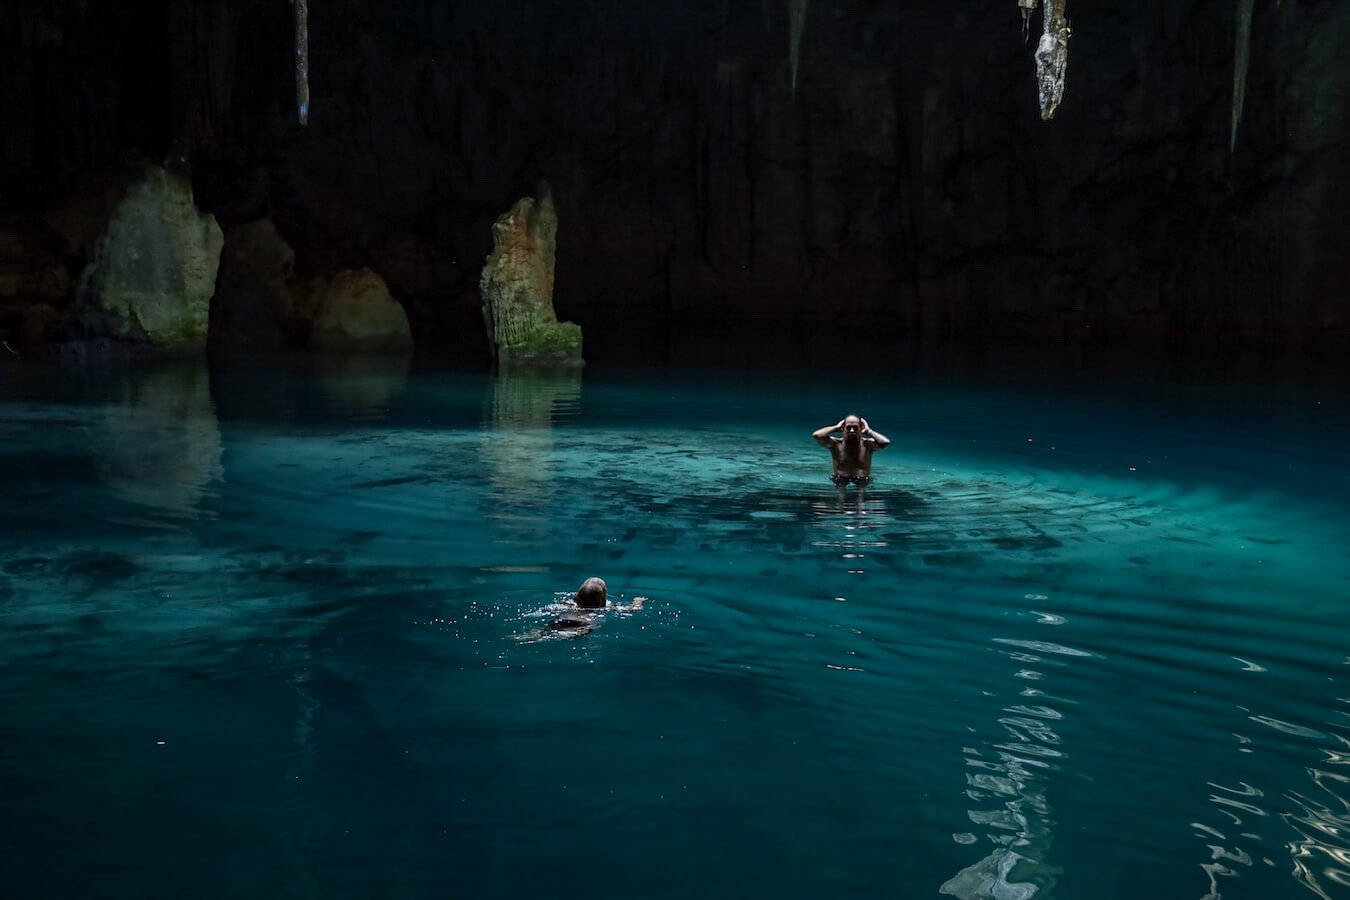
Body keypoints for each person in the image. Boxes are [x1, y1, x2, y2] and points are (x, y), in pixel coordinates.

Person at [519, 577, 646, 641]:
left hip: (564, 619)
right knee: (579, 632)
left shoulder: (567, 602)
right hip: (584, 624)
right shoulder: (607, 607)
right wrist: (638, 601)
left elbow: (552, 609)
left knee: (546, 631)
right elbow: (632, 610)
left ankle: (533, 635)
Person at [812, 414, 891, 486]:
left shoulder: (867, 445)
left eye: (856, 428)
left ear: (861, 429)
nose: (852, 431)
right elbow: (817, 435)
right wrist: (835, 428)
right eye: (849, 427)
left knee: (861, 498)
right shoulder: (836, 444)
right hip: (840, 478)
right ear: (843, 428)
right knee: (840, 499)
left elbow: (885, 442)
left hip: (862, 479)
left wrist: (868, 431)